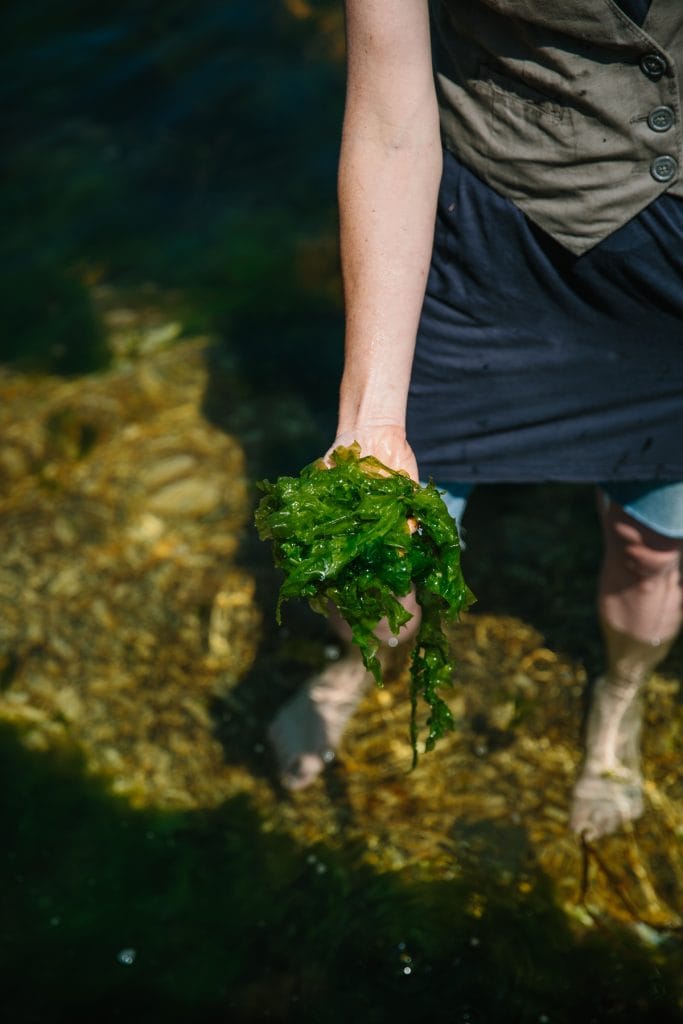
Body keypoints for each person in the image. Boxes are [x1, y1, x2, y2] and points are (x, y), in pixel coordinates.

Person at [268, 0, 683, 841]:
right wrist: (370, 416)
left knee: (651, 544)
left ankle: (617, 703)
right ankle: (352, 668)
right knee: (382, 560)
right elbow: (388, 118)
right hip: (484, 235)